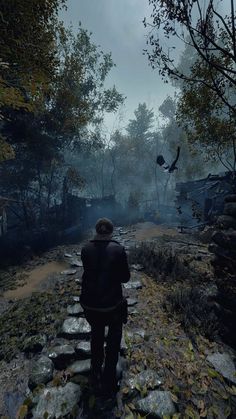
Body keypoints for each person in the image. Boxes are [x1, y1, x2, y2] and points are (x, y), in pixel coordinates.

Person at [80, 218, 130, 396]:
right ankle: (109, 376)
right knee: (114, 338)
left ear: (97, 231)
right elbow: (125, 278)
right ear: (110, 232)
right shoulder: (118, 249)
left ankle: (95, 371)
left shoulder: (85, 249)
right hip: (112, 306)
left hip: (91, 306)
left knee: (96, 334)